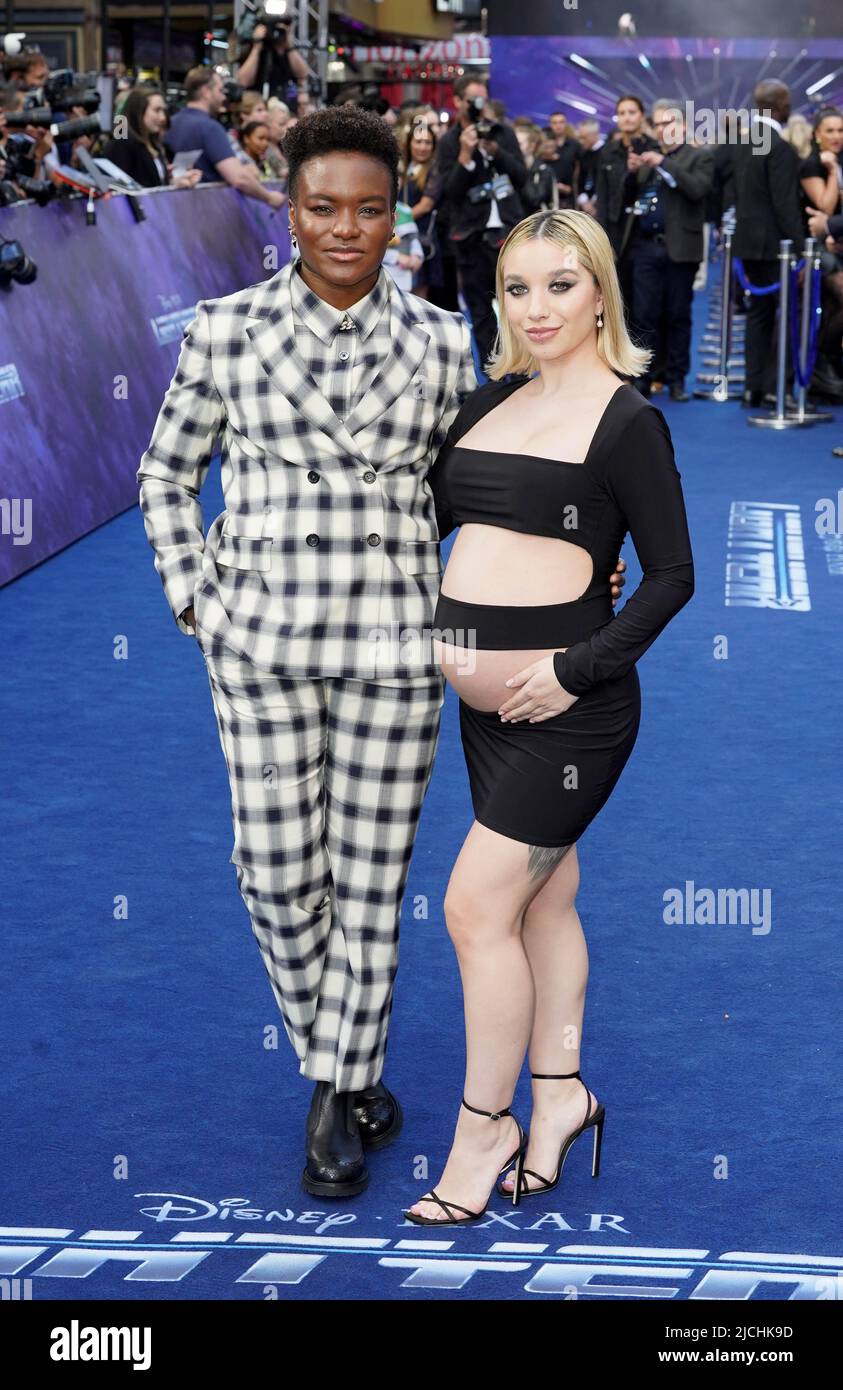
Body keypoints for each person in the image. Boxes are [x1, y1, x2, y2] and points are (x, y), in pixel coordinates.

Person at [136, 107, 629, 1201]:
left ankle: (332, 1091)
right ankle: (348, 1058)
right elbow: (166, 475)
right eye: (323, 209)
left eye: (369, 209)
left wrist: (584, 554)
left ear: (393, 212)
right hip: (259, 639)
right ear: (289, 212)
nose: (346, 229)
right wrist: (196, 601)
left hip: (398, 650)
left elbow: (494, 481)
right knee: (272, 876)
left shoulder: (435, 336)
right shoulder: (223, 329)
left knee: (367, 886)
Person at [405, 209, 694, 1225]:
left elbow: (671, 578)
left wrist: (574, 669)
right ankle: (562, 1094)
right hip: (485, 718)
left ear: (602, 293)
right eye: (518, 288)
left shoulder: (627, 422)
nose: (537, 308)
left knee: (475, 908)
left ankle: (487, 1126)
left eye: (561, 286)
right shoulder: (488, 402)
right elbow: (449, 523)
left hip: (573, 719)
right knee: (544, 903)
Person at [432, 73, 527, 366]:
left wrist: (495, 151)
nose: (478, 105)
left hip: (508, 232)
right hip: (471, 236)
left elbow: (521, 177)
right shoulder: (450, 141)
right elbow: (449, 192)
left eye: (482, 99)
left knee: (517, 304)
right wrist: (465, 154)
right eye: (472, 99)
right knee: (481, 309)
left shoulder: (502, 133)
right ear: (458, 101)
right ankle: (495, 374)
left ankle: (522, 368)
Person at [624, 100, 713, 401]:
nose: (663, 131)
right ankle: (644, 378)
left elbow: (697, 189)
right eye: (658, 125)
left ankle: (677, 379)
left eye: (669, 124)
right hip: (646, 247)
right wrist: (633, 171)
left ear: (684, 126)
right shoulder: (649, 160)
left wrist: (662, 163)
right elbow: (629, 199)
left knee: (678, 315)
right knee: (644, 314)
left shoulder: (698, 157)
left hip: (680, 249)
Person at [726, 80, 804, 407]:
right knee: (785, 317)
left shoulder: (743, 143)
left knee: (757, 317)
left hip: (747, 243)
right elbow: (784, 204)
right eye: (787, 102)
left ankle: (751, 388)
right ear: (779, 106)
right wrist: (801, 247)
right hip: (776, 246)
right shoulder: (780, 148)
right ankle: (776, 388)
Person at [167, 66, 285, 210]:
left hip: (175, 211)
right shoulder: (210, 128)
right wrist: (269, 197)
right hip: (207, 212)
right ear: (206, 92)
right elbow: (239, 178)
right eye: (220, 91)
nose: (223, 97)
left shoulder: (171, 123)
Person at [101, 87, 202, 189]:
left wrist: (175, 182)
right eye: (157, 110)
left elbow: (154, 186)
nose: (163, 117)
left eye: (163, 111)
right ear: (139, 111)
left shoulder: (154, 145)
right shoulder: (122, 146)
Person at [236, 17, 313, 102]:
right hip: (260, 105)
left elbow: (303, 74)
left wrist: (289, 45)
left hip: (286, 106)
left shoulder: (290, 52)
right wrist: (256, 48)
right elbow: (243, 81)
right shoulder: (257, 50)